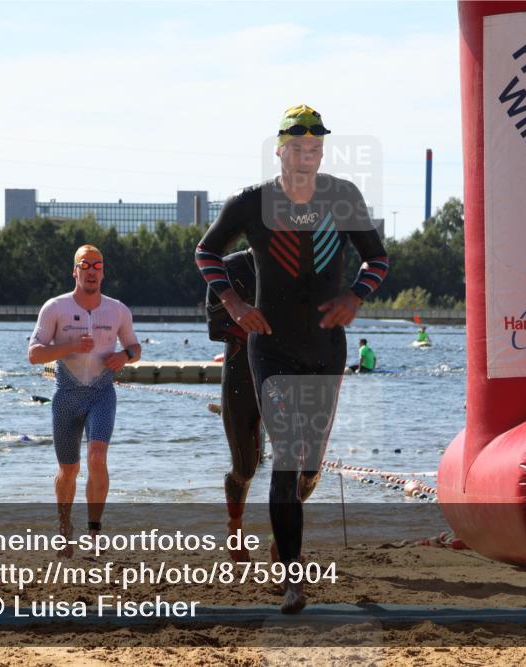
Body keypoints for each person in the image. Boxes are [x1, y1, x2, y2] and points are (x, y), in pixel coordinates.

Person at [194, 104, 389, 613]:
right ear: (279, 150)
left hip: (326, 348)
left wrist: (355, 297)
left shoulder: (342, 197)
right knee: (284, 461)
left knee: (309, 468)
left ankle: (287, 542)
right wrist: (235, 304)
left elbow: (379, 258)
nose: (308, 156)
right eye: (298, 148)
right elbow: (206, 252)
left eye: (316, 148)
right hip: (272, 350)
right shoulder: (252, 202)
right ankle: (293, 579)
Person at [28, 244, 141, 557]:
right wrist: (70, 346)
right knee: (68, 470)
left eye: (97, 265)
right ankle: (65, 527)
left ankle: (93, 531)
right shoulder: (55, 307)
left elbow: (135, 347)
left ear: (103, 272)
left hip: (102, 393)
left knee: (97, 456)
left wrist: (124, 355)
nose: (91, 271)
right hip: (66, 395)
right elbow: (34, 354)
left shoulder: (118, 310)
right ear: (74, 271)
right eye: (85, 265)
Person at [205, 249, 264, 562]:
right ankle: (235, 527)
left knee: (296, 463)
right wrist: (260, 329)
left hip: (288, 374)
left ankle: (284, 539)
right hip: (242, 371)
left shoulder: (298, 267)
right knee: (244, 465)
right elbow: (216, 326)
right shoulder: (230, 266)